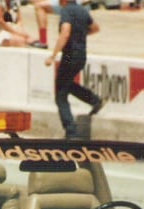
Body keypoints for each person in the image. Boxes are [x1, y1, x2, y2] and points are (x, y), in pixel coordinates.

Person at [44, 0, 104, 139]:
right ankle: (94, 100)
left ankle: (71, 132)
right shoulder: (83, 10)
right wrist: (80, 34)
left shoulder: (66, 11)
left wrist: (53, 56)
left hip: (70, 55)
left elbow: (65, 33)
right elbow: (95, 28)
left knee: (60, 95)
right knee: (66, 85)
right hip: (81, 55)